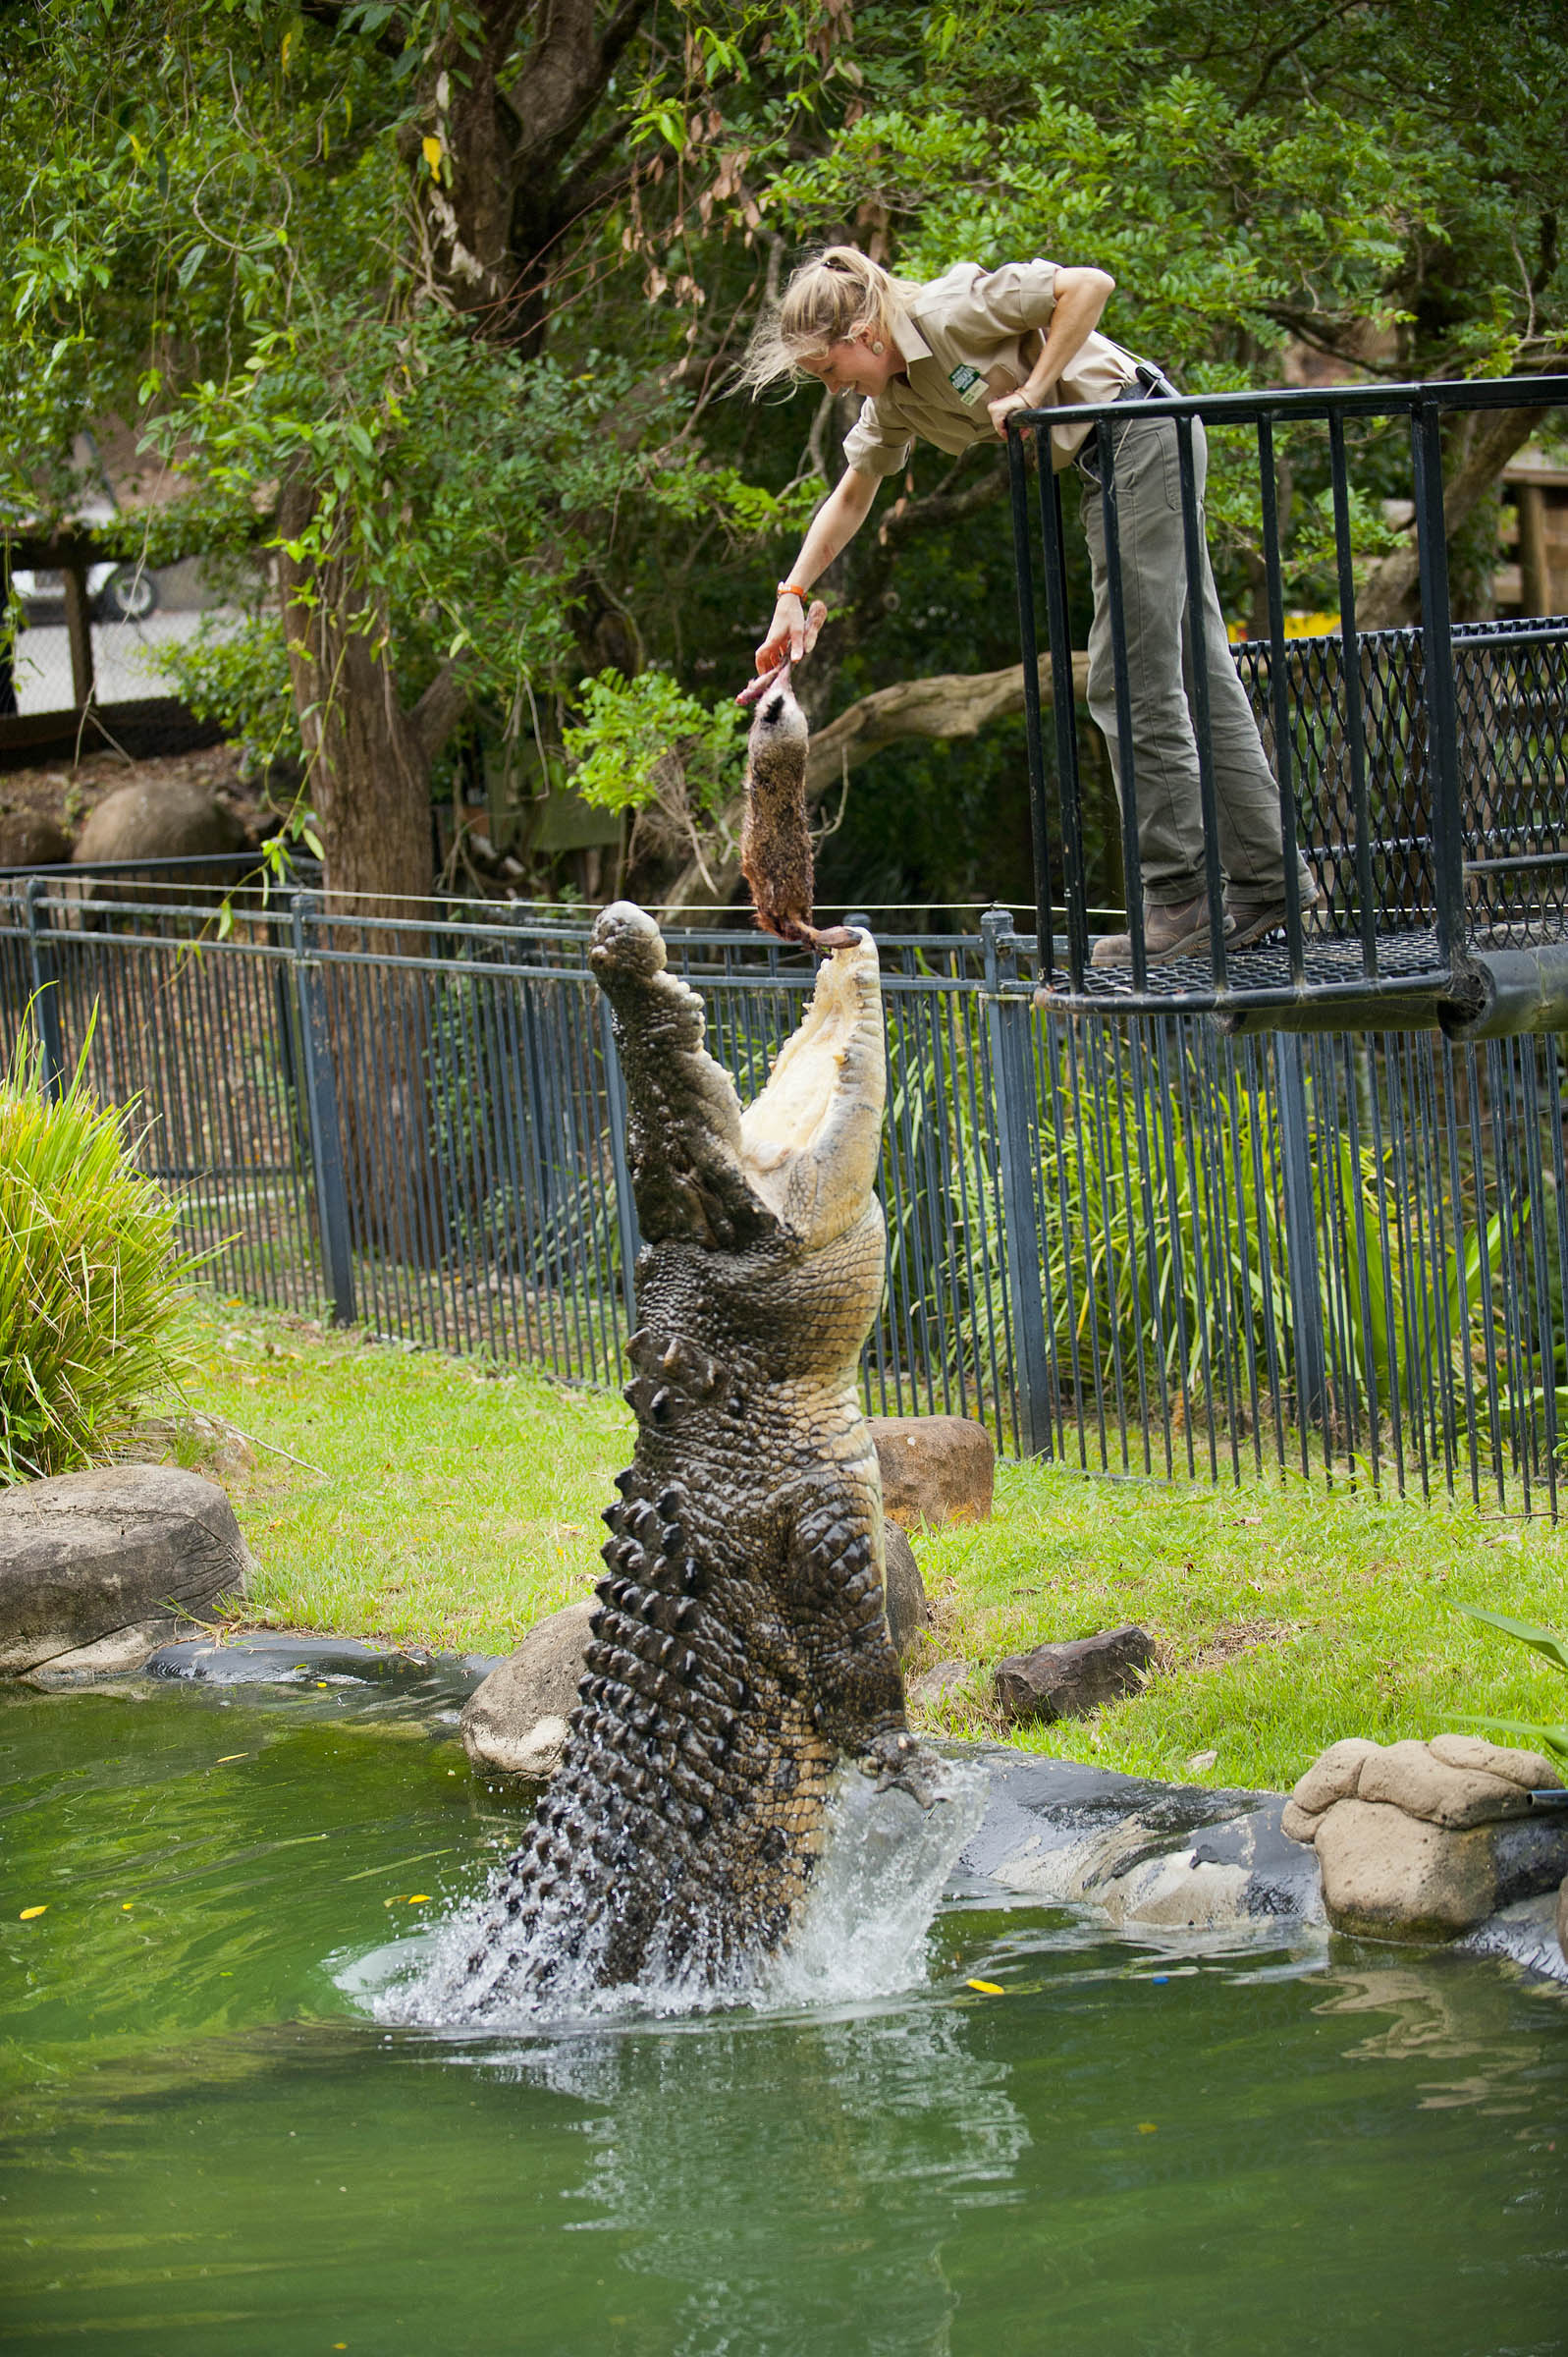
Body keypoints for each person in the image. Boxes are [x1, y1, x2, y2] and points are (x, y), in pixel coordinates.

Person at [740, 247, 1319, 964]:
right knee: (1199, 675)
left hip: (1138, 435)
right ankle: (1268, 881)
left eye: (829, 370)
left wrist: (1035, 389)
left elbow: (1087, 286)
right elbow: (853, 493)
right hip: (1116, 457)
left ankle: (1182, 900)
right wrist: (792, 595)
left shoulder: (945, 312)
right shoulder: (889, 396)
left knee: (1128, 682)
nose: (831, 389)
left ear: (865, 334)